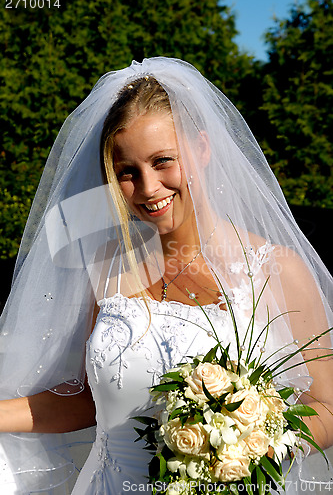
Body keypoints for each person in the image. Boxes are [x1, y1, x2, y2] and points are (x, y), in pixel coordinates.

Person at [0, 57, 332, 495]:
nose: (149, 187)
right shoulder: (105, 267)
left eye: (163, 161)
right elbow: (89, 402)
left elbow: (327, 405)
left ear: (203, 148)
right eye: (127, 173)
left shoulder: (277, 269)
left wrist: (253, 444)